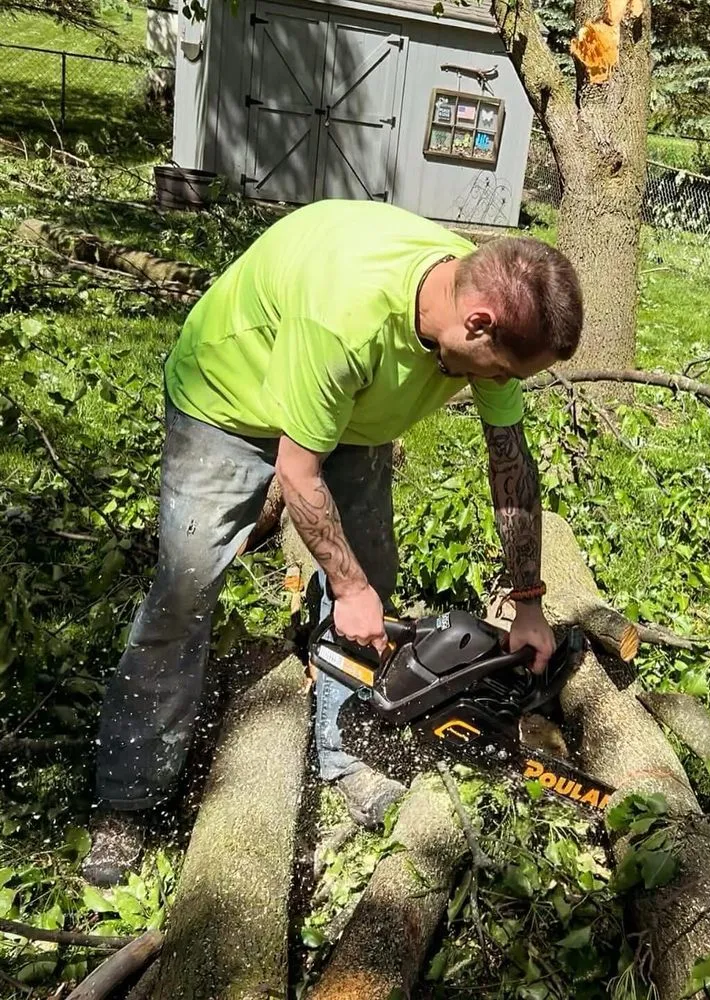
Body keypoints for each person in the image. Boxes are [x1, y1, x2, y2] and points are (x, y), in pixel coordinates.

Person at [81, 199, 584, 886]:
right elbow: (297, 471)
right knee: (185, 588)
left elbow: (509, 462)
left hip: (349, 416)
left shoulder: (478, 298)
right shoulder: (348, 314)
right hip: (228, 398)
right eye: (497, 370)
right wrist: (344, 589)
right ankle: (128, 798)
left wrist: (527, 600)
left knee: (374, 570)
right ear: (478, 322)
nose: (496, 387)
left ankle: (347, 751)